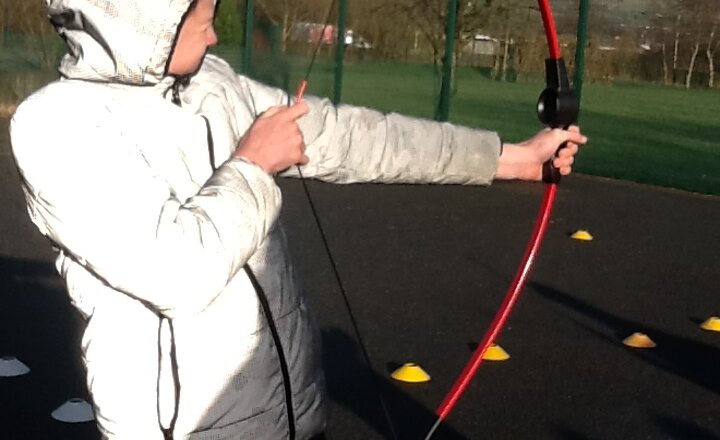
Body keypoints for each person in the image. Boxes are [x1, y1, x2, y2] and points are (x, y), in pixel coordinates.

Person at [9, 0, 587, 439]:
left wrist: (512, 159)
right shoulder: (56, 124)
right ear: (143, 23)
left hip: (292, 414)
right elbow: (176, 272)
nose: (214, 32)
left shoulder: (215, 84)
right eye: (201, 18)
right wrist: (253, 163)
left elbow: (353, 137)